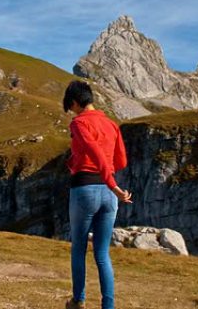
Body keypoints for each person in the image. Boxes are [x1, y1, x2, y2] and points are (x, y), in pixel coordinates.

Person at [63, 80, 132, 309]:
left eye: (70, 106)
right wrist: (110, 184)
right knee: (102, 254)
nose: (71, 111)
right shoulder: (111, 125)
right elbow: (120, 159)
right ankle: (108, 306)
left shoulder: (79, 123)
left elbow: (94, 152)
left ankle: (78, 301)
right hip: (109, 196)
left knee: (79, 249)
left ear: (74, 102)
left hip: (85, 189)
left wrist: (111, 183)